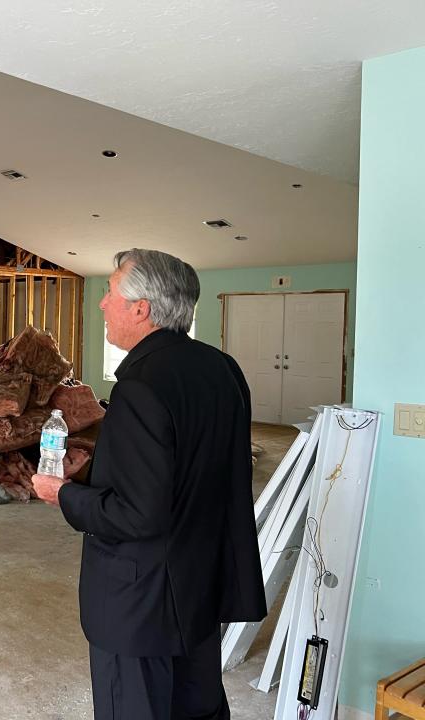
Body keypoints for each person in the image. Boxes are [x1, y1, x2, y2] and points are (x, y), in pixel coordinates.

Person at [32, 248, 266, 720]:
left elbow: (136, 514)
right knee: (196, 705)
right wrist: (97, 472)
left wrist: (63, 494)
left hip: (141, 602)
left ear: (141, 309)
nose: (102, 304)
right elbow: (198, 470)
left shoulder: (140, 385)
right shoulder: (222, 369)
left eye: (110, 292)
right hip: (199, 585)